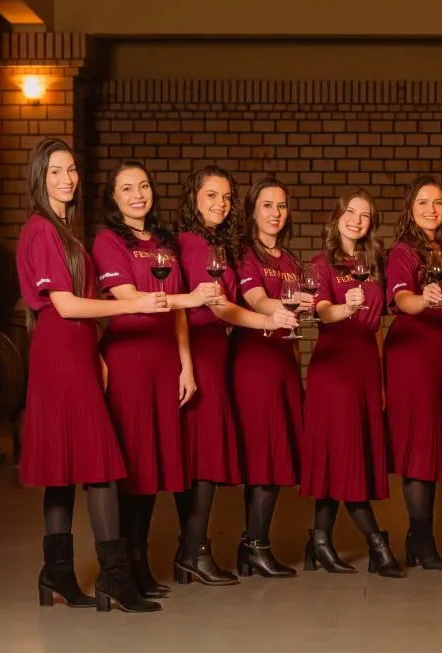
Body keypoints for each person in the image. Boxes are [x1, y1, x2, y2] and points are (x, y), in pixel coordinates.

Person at [17, 138, 164, 613]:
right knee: (99, 466)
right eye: (56, 171)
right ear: (40, 178)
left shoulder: (65, 232)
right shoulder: (41, 231)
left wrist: (96, 355)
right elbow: (64, 305)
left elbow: (76, 311)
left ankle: (56, 573)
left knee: (63, 471)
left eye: (72, 170)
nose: (68, 179)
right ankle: (114, 578)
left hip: (75, 355)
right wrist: (137, 302)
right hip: (58, 360)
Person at [92, 161, 217, 599]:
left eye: (142, 185)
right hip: (128, 361)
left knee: (154, 466)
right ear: (114, 197)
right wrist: (194, 296)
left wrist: (186, 365)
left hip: (164, 362)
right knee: (133, 465)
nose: (137, 194)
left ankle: (141, 561)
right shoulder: (108, 241)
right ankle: (127, 564)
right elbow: (130, 299)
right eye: (126, 188)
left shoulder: (165, 243)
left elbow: (179, 312)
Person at [173, 166, 292, 586]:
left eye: (225, 197)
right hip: (201, 353)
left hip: (216, 351)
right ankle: (195, 551)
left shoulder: (213, 243)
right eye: (211, 196)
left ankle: (189, 550)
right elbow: (218, 307)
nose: (219, 204)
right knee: (202, 457)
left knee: (199, 457)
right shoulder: (193, 244)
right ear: (193, 199)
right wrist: (264, 323)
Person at [301, 188, 403, 579]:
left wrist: (379, 377)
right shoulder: (320, 263)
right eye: (350, 212)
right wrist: (347, 307)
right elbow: (322, 312)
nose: (356, 220)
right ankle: (378, 545)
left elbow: (378, 328)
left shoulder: (375, 262)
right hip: (334, 368)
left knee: (340, 456)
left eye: (364, 215)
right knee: (346, 456)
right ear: (337, 216)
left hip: (364, 368)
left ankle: (319, 541)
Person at [384, 175, 442, 570]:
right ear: (410, 208)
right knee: (419, 446)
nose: (431, 210)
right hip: (413, 354)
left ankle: (419, 538)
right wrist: (421, 299)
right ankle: (421, 538)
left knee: (433, 446)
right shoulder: (403, 250)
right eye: (423, 203)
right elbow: (400, 297)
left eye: (438, 203)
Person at [230, 176, 307, 578]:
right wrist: (285, 306)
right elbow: (256, 299)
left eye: (281, 206)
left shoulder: (291, 261)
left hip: (282, 364)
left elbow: (294, 325)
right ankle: (256, 546)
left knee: (276, 456)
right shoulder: (245, 255)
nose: (275, 214)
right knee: (263, 456)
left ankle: (251, 544)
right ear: (252, 211)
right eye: (267, 206)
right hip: (254, 364)